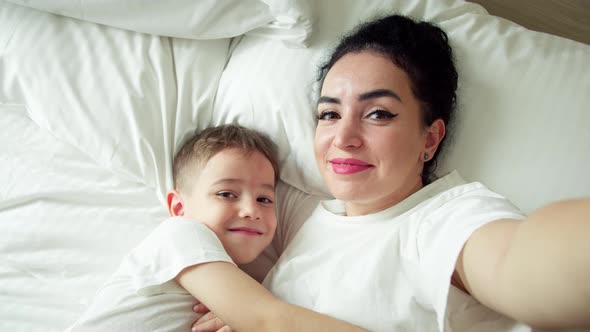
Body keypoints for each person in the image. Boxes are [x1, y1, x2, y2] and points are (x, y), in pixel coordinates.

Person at [179, 15, 590, 332]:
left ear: (430, 140)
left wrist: (257, 313)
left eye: (378, 113)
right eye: (329, 113)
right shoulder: (310, 219)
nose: (343, 137)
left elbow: (518, 259)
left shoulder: (443, 221)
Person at [66, 124, 286, 331]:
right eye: (226, 194)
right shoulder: (182, 234)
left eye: (264, 199)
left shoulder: (250, 290)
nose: (251, 210)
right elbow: (266, 320)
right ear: (179, 208)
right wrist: (247, 317)